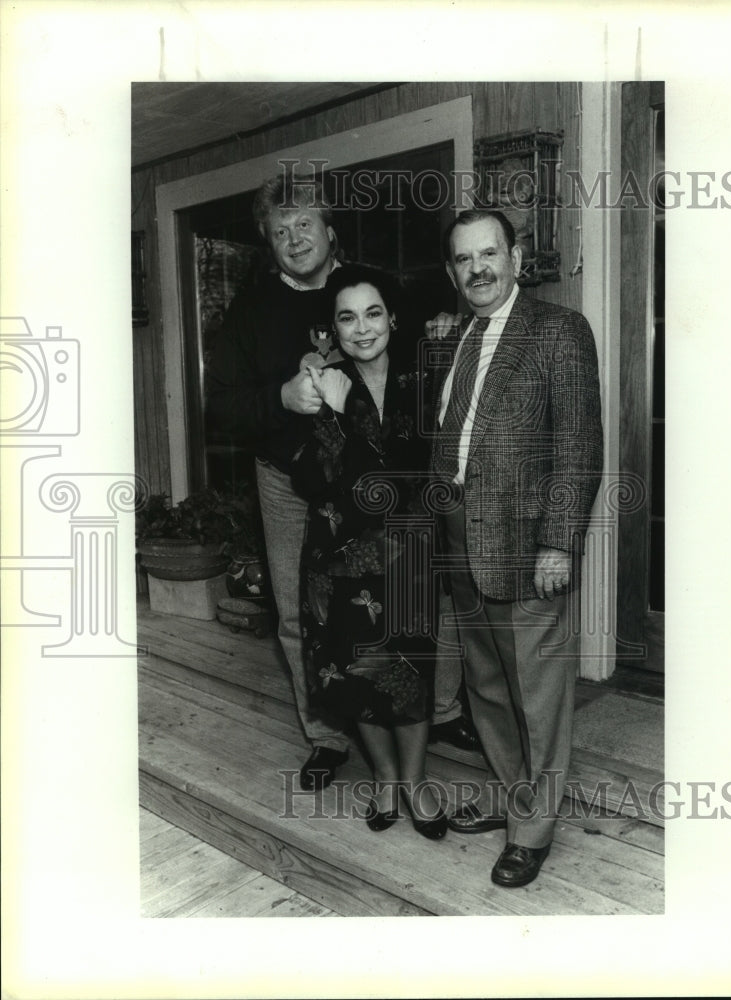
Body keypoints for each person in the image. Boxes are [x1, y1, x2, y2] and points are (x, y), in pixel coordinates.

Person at [206, 170, 476, 793]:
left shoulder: (370, 290)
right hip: (287, 478)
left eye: (305, 224)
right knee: (302, 611)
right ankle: (327, 735)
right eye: (280, 231)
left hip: (377, 473)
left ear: (330, 230)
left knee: (414, 597)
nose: (294, 238)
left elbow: (432, 320)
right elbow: (219, 406)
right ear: (268, 244)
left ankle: (439, 712)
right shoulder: (249, 313)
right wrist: (280, 396)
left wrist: (445, 328)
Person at [430, 209, 603, 886]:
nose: (477, 268)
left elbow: (578, 443)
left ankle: (532, 830)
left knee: (537, 696)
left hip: (528, 550)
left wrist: (559, 543)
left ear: (515, 255)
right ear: (452, 271)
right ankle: (512, 800)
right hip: (462, 546)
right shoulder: (457, 339)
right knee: (490, 693)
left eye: (488, 253)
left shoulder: (558, 330)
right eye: (463, 259)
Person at [291, 264, 448, 839]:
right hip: (341, 557)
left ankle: (414, 780)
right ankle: (384, 777)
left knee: (410, 666)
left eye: (373, 312)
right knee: (357, 670)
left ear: (393, 318)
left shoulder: (423, 379)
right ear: (332, 328)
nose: (362, 328)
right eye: (347, 317)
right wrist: (330, 412)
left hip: (409, 552)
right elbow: (314, 482)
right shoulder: (318, 385)